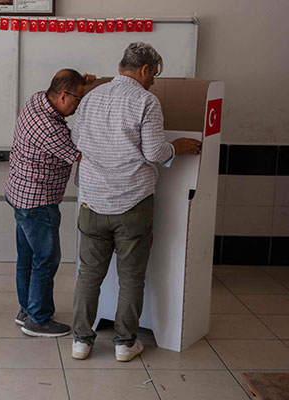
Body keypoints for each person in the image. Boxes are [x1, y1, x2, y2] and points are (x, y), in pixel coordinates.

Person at [70, 42, 202, 360]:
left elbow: (76, 140)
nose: (154, 81)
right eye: (154, 74)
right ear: (144, 70)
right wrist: (178, 148)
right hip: (132, 204)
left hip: (91, 202)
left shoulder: (91, 97)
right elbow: (154, 152)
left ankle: (81, 341)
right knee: (131, 276)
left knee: (89, 275)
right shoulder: (146, 101)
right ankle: (125, 344)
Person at [5, 69, 95, 337]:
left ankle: (27, 310)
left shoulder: (37, 100)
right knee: (46, 258)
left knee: (28, 257)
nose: (79, 106)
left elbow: (62, 78)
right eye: (78, 99)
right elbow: (79, 155)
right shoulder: (50, 128)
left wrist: (84, 80)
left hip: (20, 194)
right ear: (64, 95)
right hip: (38, 201)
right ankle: (39, 319)